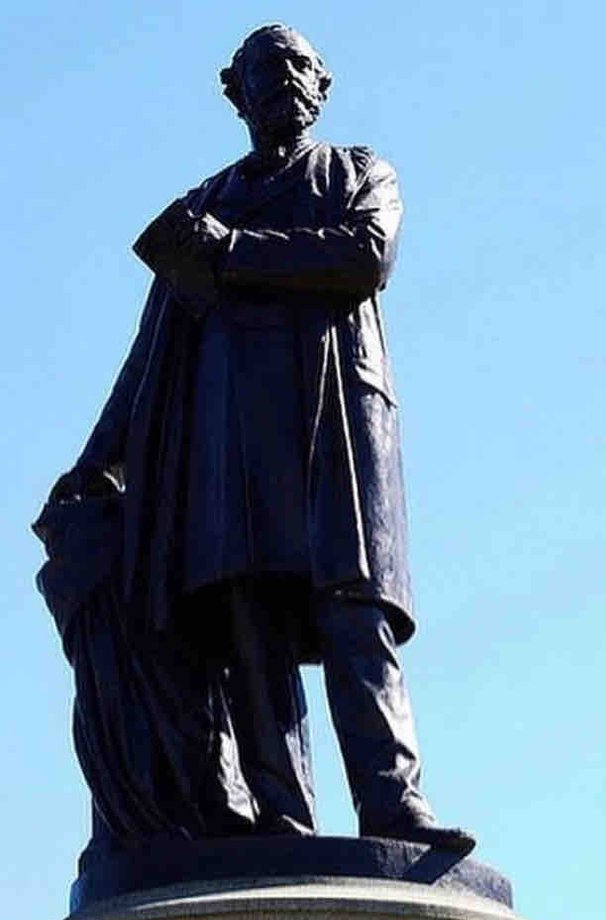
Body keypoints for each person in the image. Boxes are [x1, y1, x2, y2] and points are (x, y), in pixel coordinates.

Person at [49, 25, 471, 851]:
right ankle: (281, 814)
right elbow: (151, 353)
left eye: (296, 70)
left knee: (355, 615)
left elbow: (364, 256)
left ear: (324, 83)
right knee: (251, 629)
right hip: (229, 446)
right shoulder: (201, 209)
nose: (282, 85)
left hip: (333, 425)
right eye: (262, 74)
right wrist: (95, 459)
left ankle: (394, 805)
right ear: (233, 93)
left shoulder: (357, 173)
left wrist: (233, 254)